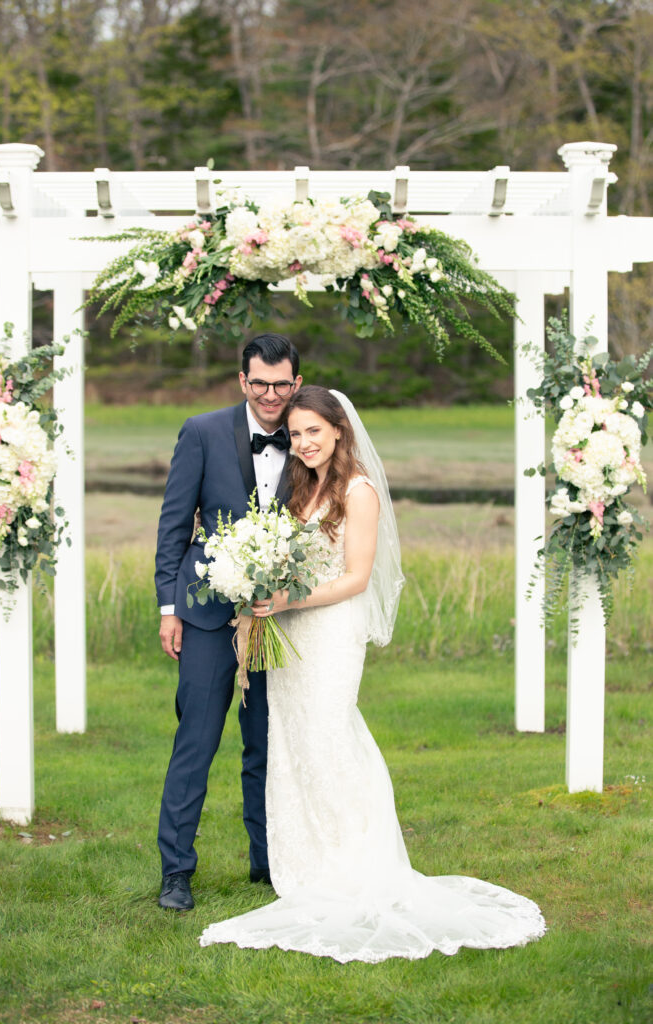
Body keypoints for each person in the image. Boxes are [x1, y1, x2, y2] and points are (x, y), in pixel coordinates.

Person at [200, 385, 546, 962]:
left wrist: (287, 601)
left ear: (339, 429)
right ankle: (308, 865)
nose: (304, 442)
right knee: (294, 740)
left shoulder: (358, 492)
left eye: (314, 431)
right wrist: (258, 585)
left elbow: (357, 577)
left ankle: (359, 864)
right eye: (296, 432)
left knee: (332, 736)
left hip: (331, 629)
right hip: (294, 628)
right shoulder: (301, 486)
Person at [154, 333, 302, 911]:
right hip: (208, 616)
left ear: (295, 382)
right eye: (259, 383)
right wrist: (169, 607)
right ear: (242, 381)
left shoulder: (311, 435)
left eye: (281, 384)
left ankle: (269, 866)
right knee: (196, 741)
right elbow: (173, 524)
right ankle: (176, 873)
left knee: (267, 745)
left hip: (280, 619)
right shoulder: (202, 431)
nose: (271, 395)